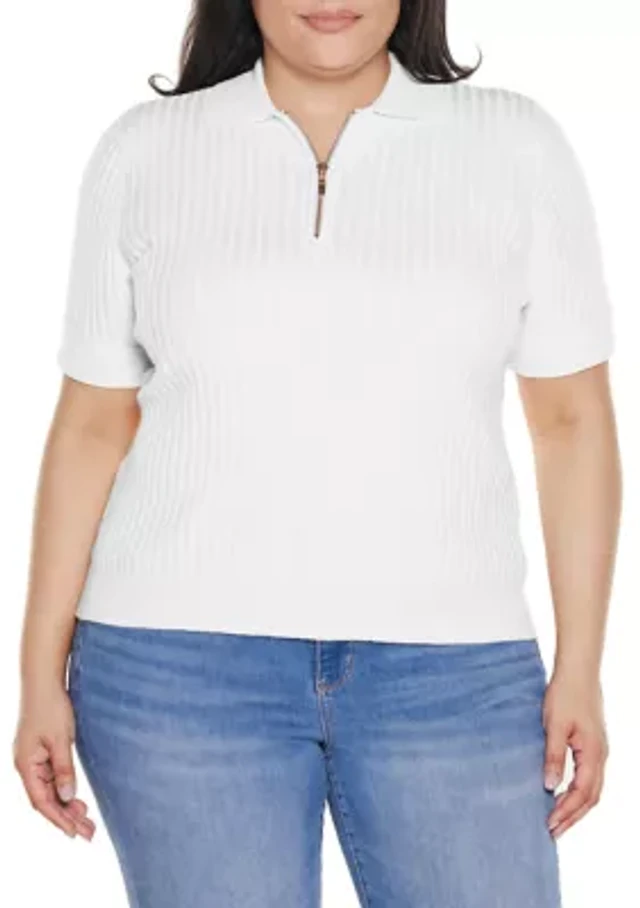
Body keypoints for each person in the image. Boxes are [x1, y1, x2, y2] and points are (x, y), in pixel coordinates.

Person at [14, 1, 621, 906]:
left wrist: (581, 666)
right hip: (176, 673)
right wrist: (38, 672)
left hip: (454, 671)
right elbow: (94, 422)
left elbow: (572, 421)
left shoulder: (514, 147)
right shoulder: (144, 151)